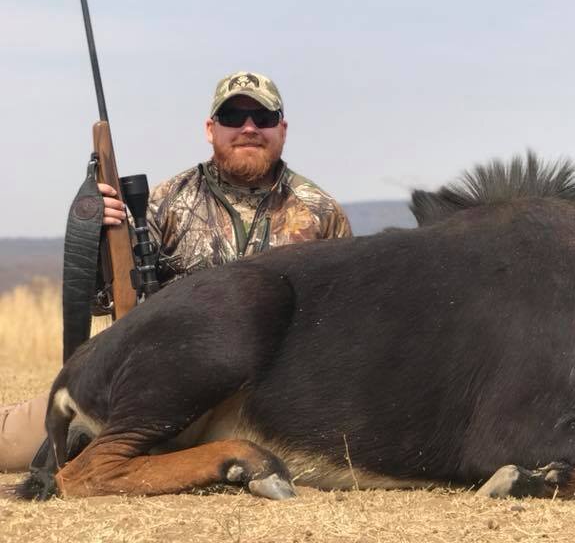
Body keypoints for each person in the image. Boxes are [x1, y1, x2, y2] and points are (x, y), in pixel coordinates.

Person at [0, 71, 352, 471]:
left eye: (264, 118)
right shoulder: (167, 201)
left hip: (276, 397)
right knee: (17, 443)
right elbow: (107, 302)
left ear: (282, 130)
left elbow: (347, 325)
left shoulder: (321, 212)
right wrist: (97, 235)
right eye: (233, 116)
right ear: (211, 128)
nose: (249, 128)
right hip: (165, 384)